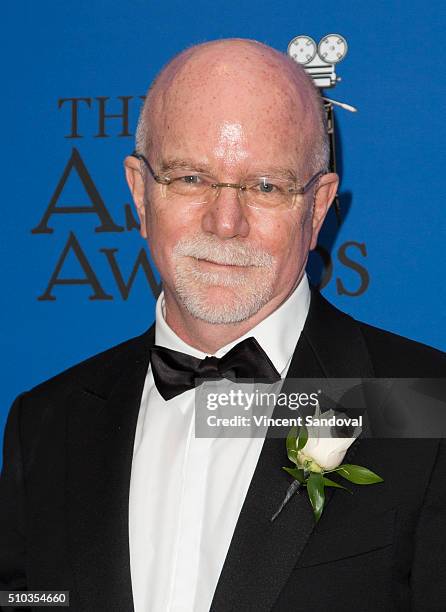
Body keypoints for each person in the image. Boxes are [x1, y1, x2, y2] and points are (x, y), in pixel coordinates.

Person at [1, 38, 445, 612]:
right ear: (139, 193)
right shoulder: (45, 422)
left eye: (266, 186)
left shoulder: (423, 406)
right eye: (190, 178)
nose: (225, 221)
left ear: (316, 208)